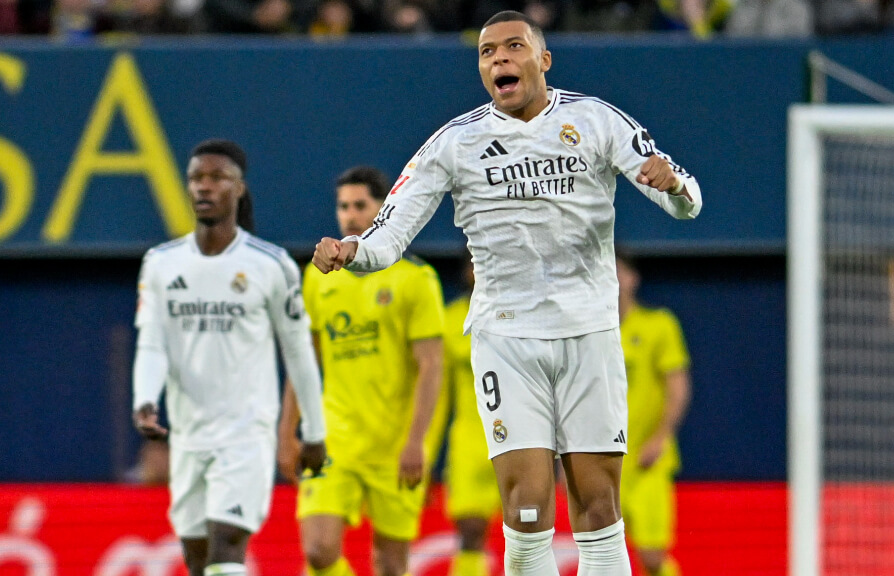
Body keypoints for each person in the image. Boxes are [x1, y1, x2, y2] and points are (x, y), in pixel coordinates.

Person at [312, 10, 702, 576]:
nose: (499, 58)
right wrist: (354, 250)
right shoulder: (455, 142)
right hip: (507, 337)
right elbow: (390, 233)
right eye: (486, 51)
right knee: (524, 510)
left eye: (513, 46)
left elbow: (680, 193)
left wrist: (677, 189)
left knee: (598, 505)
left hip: (588, 332)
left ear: (543, 60)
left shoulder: (594, 120)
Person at [132, 138, 327, 576]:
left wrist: (313, 430)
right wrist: (145, 398)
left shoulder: (270, 265)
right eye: (196, 178)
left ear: (239, 189)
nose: (204, 187)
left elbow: (298, 353)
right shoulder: (161, 264)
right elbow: (151, 342)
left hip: (246, 432)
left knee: (227, 543)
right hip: (188, 433)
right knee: (198, 557)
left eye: (217, 177)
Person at [277, 165, 446, 576]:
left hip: (394, 444)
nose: (350, 215)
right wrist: (286, 433)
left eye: (360, 205)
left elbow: (431, 367)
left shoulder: (415, 279)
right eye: (342, 206)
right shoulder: (317, 281)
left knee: (390, 564)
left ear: (383, 208)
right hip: (337, 440)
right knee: (318, 549)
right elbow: (304, 362)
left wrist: (417, 443)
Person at [615, 251, 692, 576]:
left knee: (651, 555)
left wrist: (660, 438)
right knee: (605, 552)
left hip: (647, 461)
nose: (614, 281)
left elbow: (678, 388)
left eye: (619, 272)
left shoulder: (658, 325)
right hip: (604, 460)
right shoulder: (588, 334)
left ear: (633, 278)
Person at [442, 255, 501, 576]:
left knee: (527, 533)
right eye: (475, 262)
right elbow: (438, 395)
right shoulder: (450, 320)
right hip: (469, 440)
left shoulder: (521, 313)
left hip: (520, 437)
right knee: (470, 532)